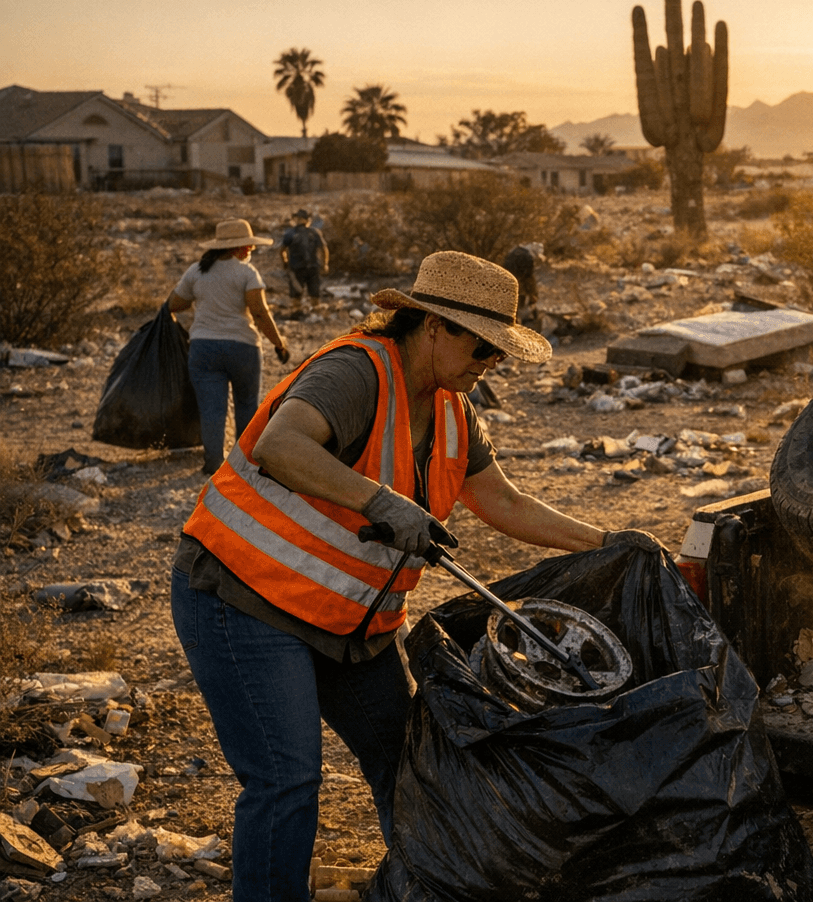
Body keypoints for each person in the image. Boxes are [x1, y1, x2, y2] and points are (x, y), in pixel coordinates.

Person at [171, 250, 663, 900]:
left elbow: (505, 502)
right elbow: (279, 446)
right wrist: (380, 502)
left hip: (349, 622)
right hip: (244, 599)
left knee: (408, 765)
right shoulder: (356, 372)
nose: (491, 362)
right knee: (286, 779)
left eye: (499, 353)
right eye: (482, 346)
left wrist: (609, 543)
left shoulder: (455, 410)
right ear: (433, 325)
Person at [168, 219, 291, 476]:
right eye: (249, 246)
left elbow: (174, 304)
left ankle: (213, 463)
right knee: (246, 405)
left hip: (203, 348)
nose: (251, 250)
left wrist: (200, 298)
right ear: (239, 248)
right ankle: (242, 464)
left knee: (212, 409)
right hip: (242, 348)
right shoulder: (247, 273)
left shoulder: (196, 271)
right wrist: (279, 343)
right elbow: (259, 313)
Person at [281, 208, 329, 309]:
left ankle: (298, 313)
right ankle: (315, 314)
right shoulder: (314, 232)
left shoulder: (290, 233)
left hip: (296, 268)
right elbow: (323, 249)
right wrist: (324, 264)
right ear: (307, 220)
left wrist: (285, 262)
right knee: (315, 297)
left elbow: (282, 250)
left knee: (296, 297)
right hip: (312, 267)